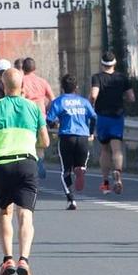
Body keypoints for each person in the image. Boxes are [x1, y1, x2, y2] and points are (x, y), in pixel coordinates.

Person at [0, 67, 48, 275]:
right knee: (25, 214)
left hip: (2, 163)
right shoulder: (33, 107)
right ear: (22, 86)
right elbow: (45, 141)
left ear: (3, 86)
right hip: (26, 162)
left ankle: (8, 259)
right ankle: (24, 259)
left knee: (4, 212)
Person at [49, 74, 99, 211]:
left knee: (65, 171)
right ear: (76, 87)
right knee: (81, 162)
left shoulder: (59, 101)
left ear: (62, 87)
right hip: (82, 137)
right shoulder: (84, 102)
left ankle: (71, 199)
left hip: (66, 137)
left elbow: (49, 121)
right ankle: (81, 168)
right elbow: (94, 117)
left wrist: (55, 125)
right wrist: (90, 132)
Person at [89, 54, 138, 194]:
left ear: (102, 63)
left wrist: (91, 104)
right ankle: (118, 174)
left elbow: (93, 95)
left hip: (102, 116)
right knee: (117, 149)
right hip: (117, 116)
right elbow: (132, 97)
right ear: (115, 63)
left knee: (105, 149)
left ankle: (105, 182)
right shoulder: (122, 78)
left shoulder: (97, 77)